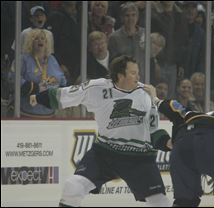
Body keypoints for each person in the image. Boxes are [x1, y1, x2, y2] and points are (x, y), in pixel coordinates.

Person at [28, 55, 172, 207]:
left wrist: (167, 142)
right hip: (105, 153)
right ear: (120, 75)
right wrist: (39, 98)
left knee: (159, 202)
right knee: (73, 187)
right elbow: (68, 94)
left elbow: (153, 130)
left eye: (138, 72)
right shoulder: (98, 88)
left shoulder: (147, 94)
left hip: (139, 158)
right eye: (133, 73)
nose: (139, 76)